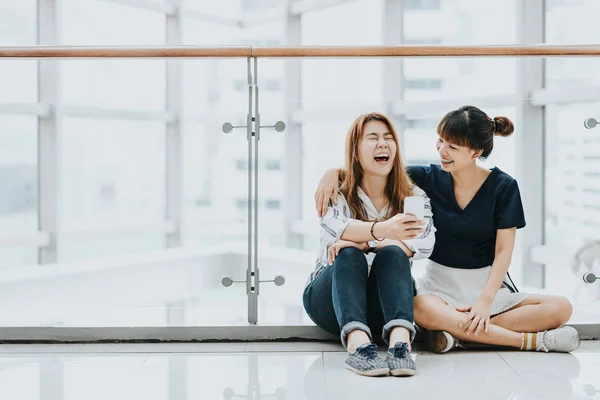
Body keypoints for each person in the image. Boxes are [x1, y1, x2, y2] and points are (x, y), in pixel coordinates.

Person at [314, 105, 580, 354]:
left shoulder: (504, 187)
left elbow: (504, 251)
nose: (442, 151)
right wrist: (331, 173)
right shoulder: (427, 178)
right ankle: (531, 341)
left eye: (452, 146)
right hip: (439, 290)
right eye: (440, 141)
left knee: (560, 308)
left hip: (489, 288)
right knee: (418, 308)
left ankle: (457, 334)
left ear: (475, 152)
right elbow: (374, 169)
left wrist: (485, 302)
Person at [303, 112, 436, 377]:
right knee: (349, 252)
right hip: (330, 301)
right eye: (372, 138)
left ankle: (400, 345)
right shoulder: (336, 192)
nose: (383, 144)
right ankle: (358, 347)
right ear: (355, 151)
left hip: (383, 306)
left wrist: (371, 242)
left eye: (388, 138)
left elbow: (425, 241)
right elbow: (335, 234)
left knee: (392, 253)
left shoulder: (412, 195)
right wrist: (384, 232)